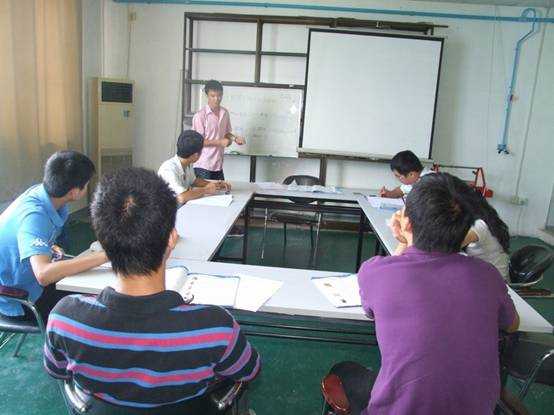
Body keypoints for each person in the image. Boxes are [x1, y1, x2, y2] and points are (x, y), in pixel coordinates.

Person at [44, 167, 260, 410]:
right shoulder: (216, 327)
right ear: (172, 238)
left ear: (102, 242)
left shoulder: (64, 318)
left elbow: (58, 371)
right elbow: (249, 370)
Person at [350, 173, 519, 415]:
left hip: (400, 410)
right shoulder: (488, 275)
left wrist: (404, 242)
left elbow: (373, 308)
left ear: (407, 223)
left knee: (347, 373)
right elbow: (512, 325)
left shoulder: (375, 272)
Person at [0, 151, 107, 322]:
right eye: (87, 184)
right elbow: (43, 274)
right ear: (74, 192)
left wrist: (49, 247)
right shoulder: (34, 216)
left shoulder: (43, 195)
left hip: (27, 281)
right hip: (20, 298)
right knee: (95, 307)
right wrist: (105, 256)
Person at [158, 129, 232, 205]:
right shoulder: (168, 169)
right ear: (195, 155)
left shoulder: (186, 163)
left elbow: (194, 181)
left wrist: (214, 185)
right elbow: (182, 197)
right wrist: (206, 190)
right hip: (168, 209)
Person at [192, 80, 246, 180]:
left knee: (222, 189)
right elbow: (198, 142)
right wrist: (220, 142)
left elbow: (227, 133)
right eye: (213, 96)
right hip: (203, 165)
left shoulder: (225, 113)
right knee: (208, 191)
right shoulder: (200, 116)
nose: (217, 99)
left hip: (218, 164)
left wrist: (235, 139)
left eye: (219, 95)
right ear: (207, 95)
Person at [460, 185, 511, 280]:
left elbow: (451, 245)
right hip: (491, 276)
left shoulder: (480, 225)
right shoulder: (489, 220)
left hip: (493, 281)